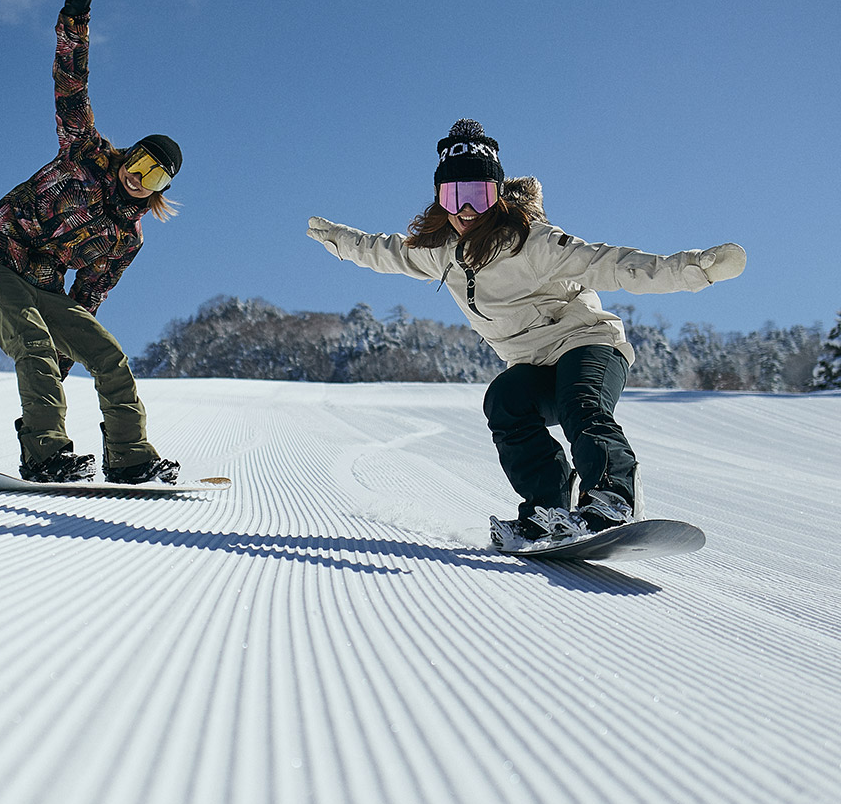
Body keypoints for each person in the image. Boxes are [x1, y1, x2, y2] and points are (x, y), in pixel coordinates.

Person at [306, 118, 746, 549]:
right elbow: (385, 251)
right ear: (440, 198)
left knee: (582, 403)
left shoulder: (532, 243)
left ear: (496, 195)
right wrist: (340, 241)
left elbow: (612, 263)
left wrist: (692, 269)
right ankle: (546, 508)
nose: (465, 210)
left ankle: (612, 496)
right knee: (504, 400)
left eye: (477, 194)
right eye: (452, 195)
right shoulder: (442, 254)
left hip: (587, 344)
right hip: (534, 367)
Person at [0, 0, 182, 484]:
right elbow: (69, 81)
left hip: (46, 288)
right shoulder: (84, 151)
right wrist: (75, 19)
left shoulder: (126, 239)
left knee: (109, 354)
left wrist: (65, 359)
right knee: (32, 341)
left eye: (154, 179)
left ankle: (129, 457)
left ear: (159, 193)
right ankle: (43, 452)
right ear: (129, 154)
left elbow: (88, 299)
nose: (139, 178)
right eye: (141, 163)